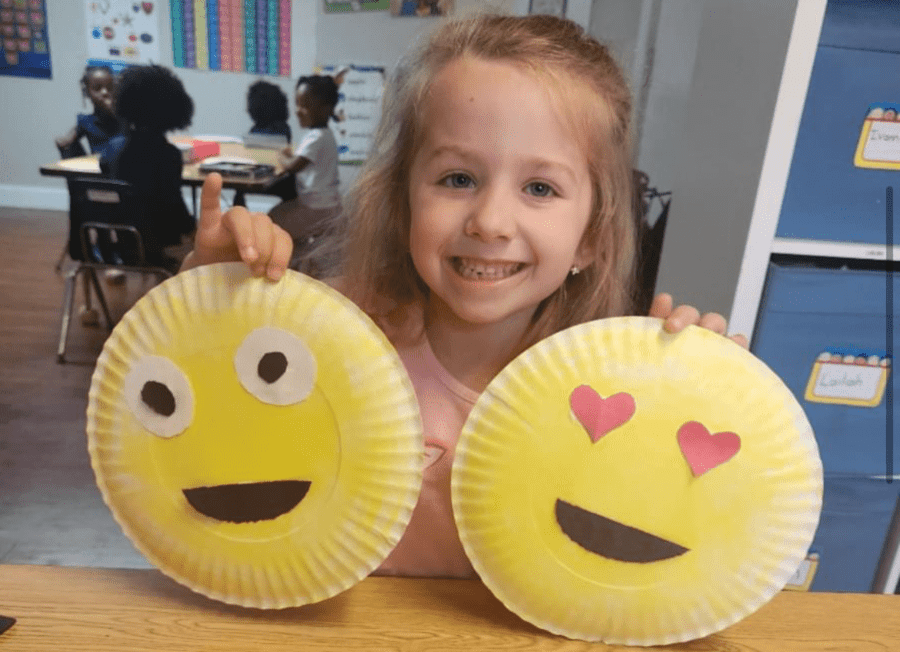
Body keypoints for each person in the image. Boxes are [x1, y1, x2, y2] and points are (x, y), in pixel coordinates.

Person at [181, 14, 749, 578]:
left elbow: (658, 550)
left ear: (592, 239)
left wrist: (688, 400)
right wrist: (218, 302)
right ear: (404, 202)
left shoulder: (611, 391)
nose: (491, 221)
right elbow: (204, 432)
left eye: (539, 188)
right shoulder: (329, 334)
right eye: (458, 179)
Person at [100, 64, 195, 268]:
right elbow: (174, 206)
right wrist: (194, 230)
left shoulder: (111, 149)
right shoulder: (168, 154)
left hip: (117, 241)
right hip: (160, 242)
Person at [269, 74, 342, 271]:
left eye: (304, 106)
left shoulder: (317, 137)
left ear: (325, 109)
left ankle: (285, 264)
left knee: (271, 221)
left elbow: (292, 166)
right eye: (297, 104)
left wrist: (281, 155)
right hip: (326, 206)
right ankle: (299, 260)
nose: (298, 111)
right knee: (280, 213)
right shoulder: (322, 135)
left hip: (317, 209)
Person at [55, 65, 120, 158]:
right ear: (87, 92)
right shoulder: (86, 121)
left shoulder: (125, 117)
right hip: (100, 167)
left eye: (110, 87)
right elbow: (70, 138)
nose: (105, 92)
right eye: (97, 88)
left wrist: (113, 110)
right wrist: (65, 141)